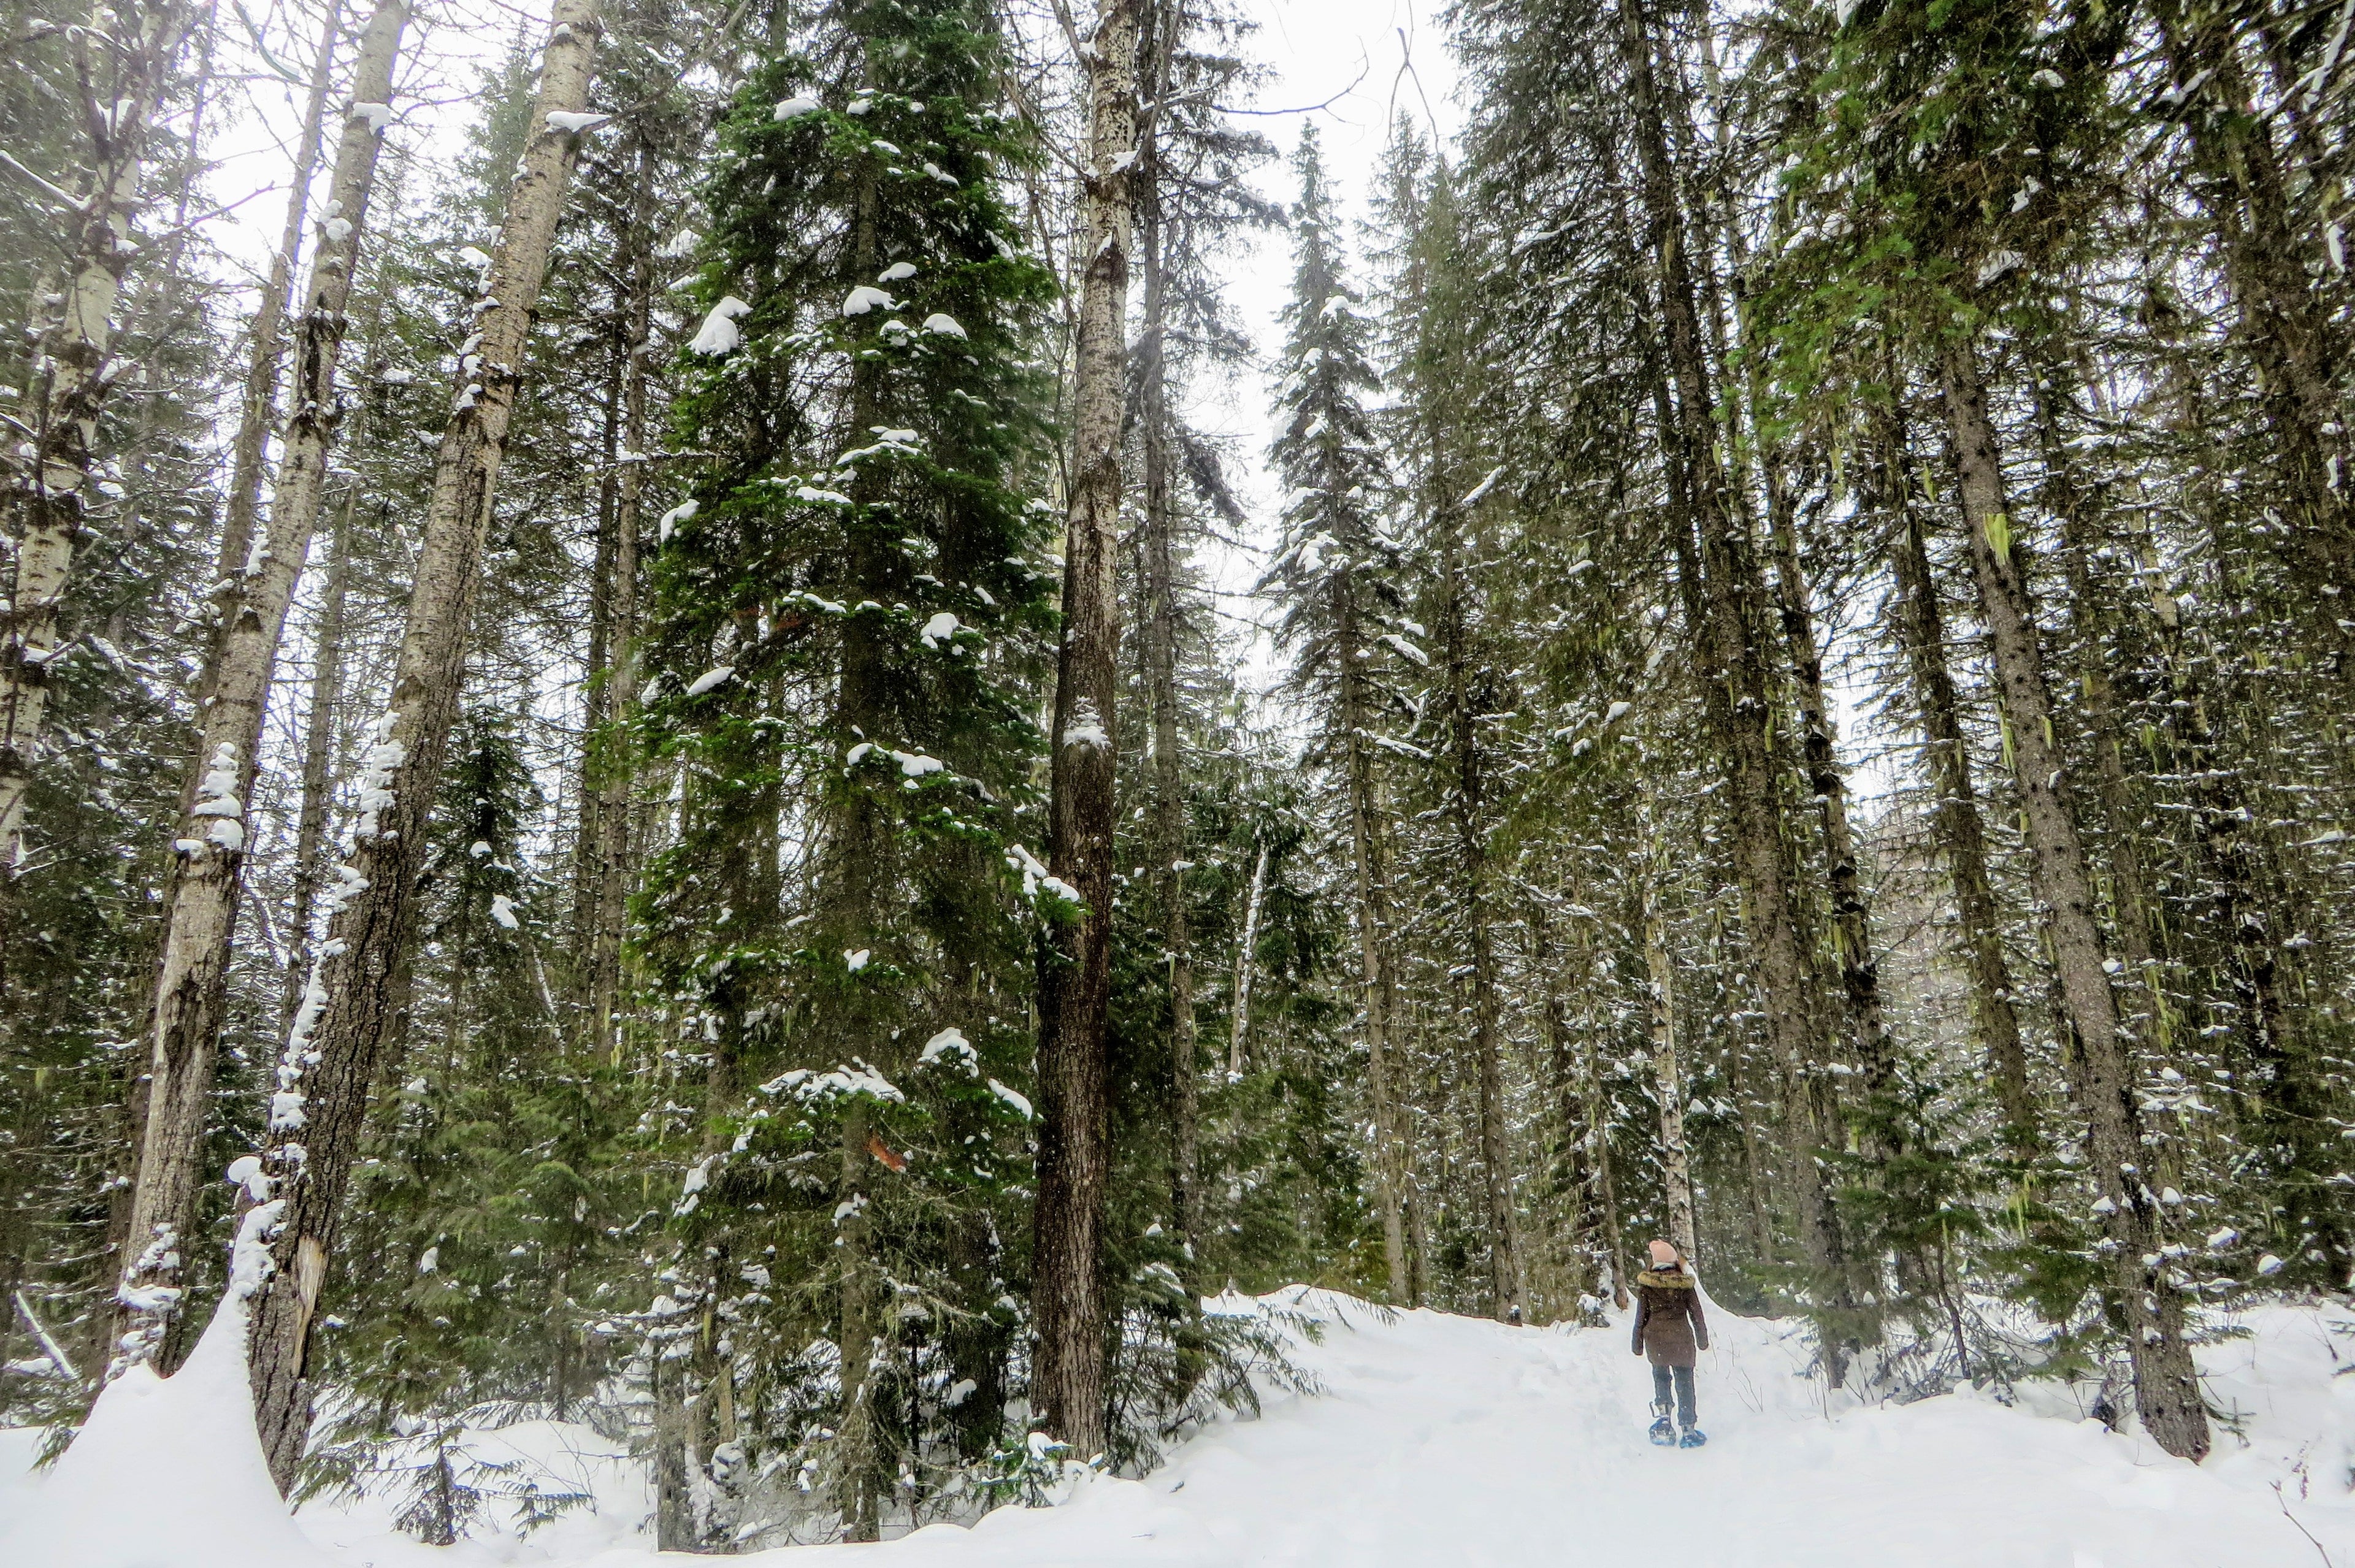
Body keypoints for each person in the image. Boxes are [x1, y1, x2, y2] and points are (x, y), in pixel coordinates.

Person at [1631, 1237, 1709, 1447]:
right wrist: (1702, 1340)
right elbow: (1697, 1316)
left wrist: (1637, 1343)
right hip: (1682, 1339)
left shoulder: (1647, 1287)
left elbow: (1641, 1318)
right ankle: (1688, 1429)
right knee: (1685, 1383)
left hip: (1656, 1341)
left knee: (1661, 1378)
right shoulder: (1685, 1286)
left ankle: (1664, 1422)